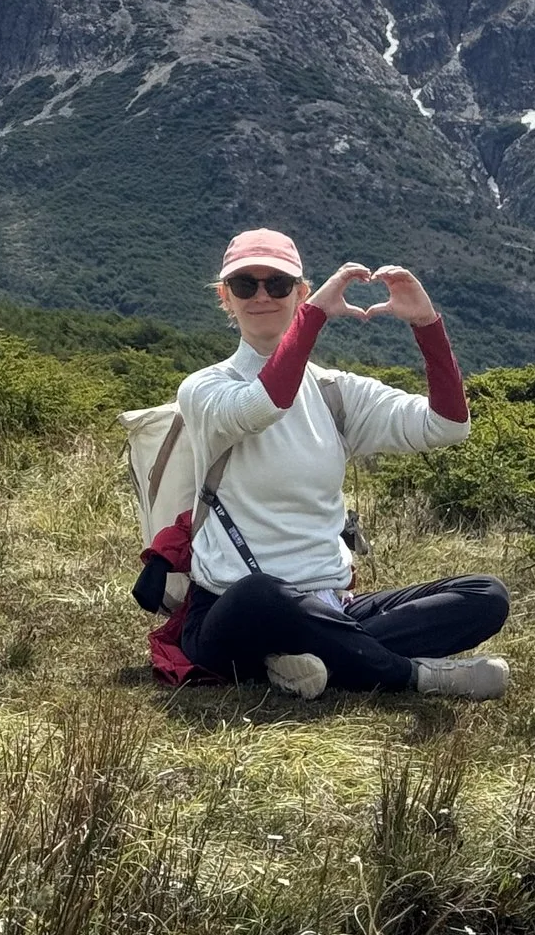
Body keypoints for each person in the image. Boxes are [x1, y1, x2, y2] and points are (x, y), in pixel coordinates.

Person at [133, 227, 511, 700]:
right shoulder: (205, 389)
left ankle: (305, 659)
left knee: (485, 595)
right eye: (246, 285)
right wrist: (311, 320)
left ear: (299, 290)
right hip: (232, 610)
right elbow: (262, 405)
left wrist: (427, 325)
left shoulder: (335, 394)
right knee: (261, 593)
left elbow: (448, 424)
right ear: (225, 297)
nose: (262, 295)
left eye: (278, 283)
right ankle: (419, 677)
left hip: (331, 603)